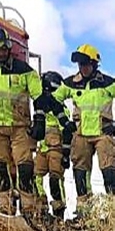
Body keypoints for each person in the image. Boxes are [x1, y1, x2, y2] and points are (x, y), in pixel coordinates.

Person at [0, 26, 65, 221]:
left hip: (20, 127)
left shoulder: (24, 70)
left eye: (5, 47)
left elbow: (39, 97)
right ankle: (6, 210)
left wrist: (39, 120)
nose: (3, 51)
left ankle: (29, 211)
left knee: (25, 168)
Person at [51, 43, 115, 210]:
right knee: (80, 172)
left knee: (108, 171)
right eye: (80, 64)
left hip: (103, 133)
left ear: (94, 64)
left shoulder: (108, 83)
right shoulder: (70, 83)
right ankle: (83, 212)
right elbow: (53, 101)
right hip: (81, 134)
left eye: (85, 64)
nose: (82, 68)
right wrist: (65, 122)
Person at [31, 70, 74, 219]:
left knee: (55, 180)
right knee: (35, 177)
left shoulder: (61, 109)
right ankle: (41, 207)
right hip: (41, 149)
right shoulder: (39, 107)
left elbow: (67, 131)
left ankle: (58, 210)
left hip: (56, 149)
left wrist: (66, 154)